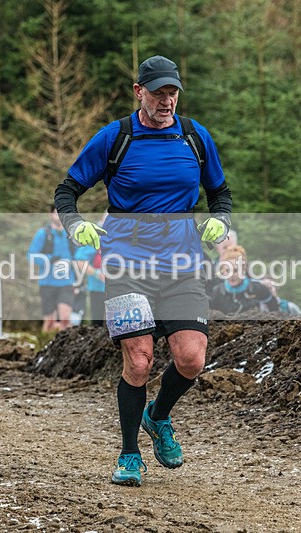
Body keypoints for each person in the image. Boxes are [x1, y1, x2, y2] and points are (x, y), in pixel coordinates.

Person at [55, 55, 232, 487]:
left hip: (182, 265)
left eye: (173, 92)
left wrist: (220, 221)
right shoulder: (116, 137)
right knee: (138, 362)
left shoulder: (194, 136)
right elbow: (68, 190)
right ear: (139, 92)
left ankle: (159, 415)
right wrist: (75, 224)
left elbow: (220, 193)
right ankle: (130, 454)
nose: (167, 100)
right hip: (125, 266)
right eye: (158, 93)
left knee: (191, 359)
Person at [210, 245, 301, 316]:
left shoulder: (258, 288)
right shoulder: (217, 292)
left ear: (244, 269)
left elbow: (275, 311)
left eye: (235, 270)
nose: (231, 275)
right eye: (227, 270)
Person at [27, 205, 76, 332]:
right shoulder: (44, 233)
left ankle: (67, 349)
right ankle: (45, 348)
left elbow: (79, 257)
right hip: (47, 282)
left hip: (66, 282)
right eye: (56, 213)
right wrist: (49, 259)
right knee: (49, 322)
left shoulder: (71, 234)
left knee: (65, 319)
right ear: (50, 215)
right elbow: (31, 256)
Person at [74, 213, 107, 327]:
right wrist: (98, 274)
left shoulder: (123, 236)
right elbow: (80, 262)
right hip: (98, 288)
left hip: (121, 288)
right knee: (97, 324)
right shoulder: (94, 235)